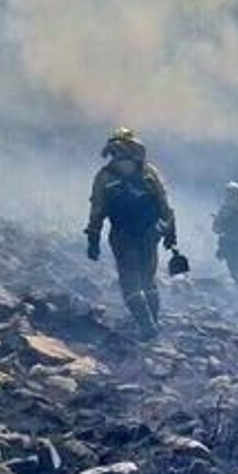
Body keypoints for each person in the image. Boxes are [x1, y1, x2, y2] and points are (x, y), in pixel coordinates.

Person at [85, 128, 178, 332]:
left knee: (130, 281)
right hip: (150, 234)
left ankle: (146, 326)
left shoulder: (105, 176)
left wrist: (93, 239)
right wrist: (170, 233)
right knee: (148, 278)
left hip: (122, 236)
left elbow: (97, 210)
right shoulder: (148, 171)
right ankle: (154, 320)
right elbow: (165, 204)